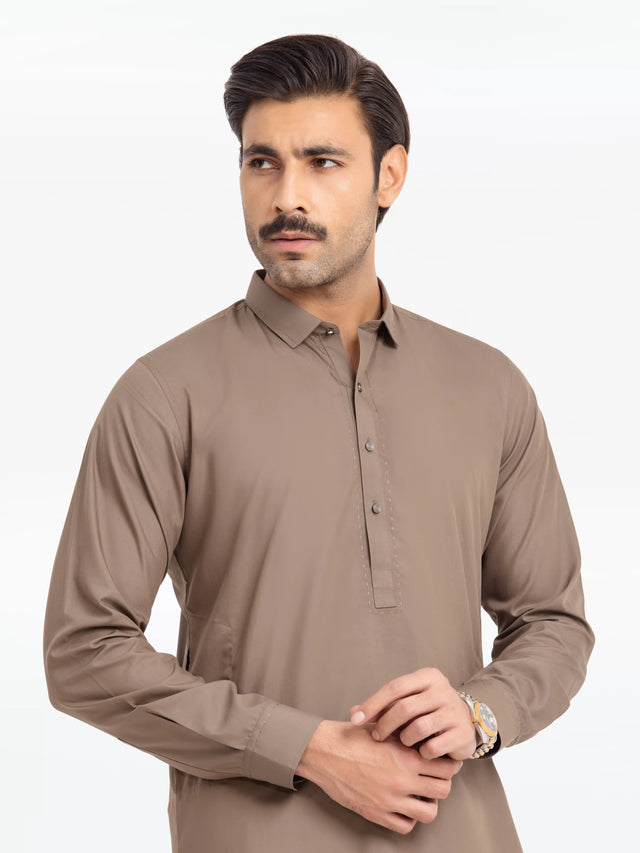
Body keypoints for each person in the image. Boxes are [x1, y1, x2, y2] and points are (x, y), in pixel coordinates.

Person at [43, 34, 594, 852]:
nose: (286, 196)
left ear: (389, 176)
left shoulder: (488, 386)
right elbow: (84, 652)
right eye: (261, 162)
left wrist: (481, 712)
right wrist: (302, 748)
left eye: (323, 162)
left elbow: (553, 620)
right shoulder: (165, 393)